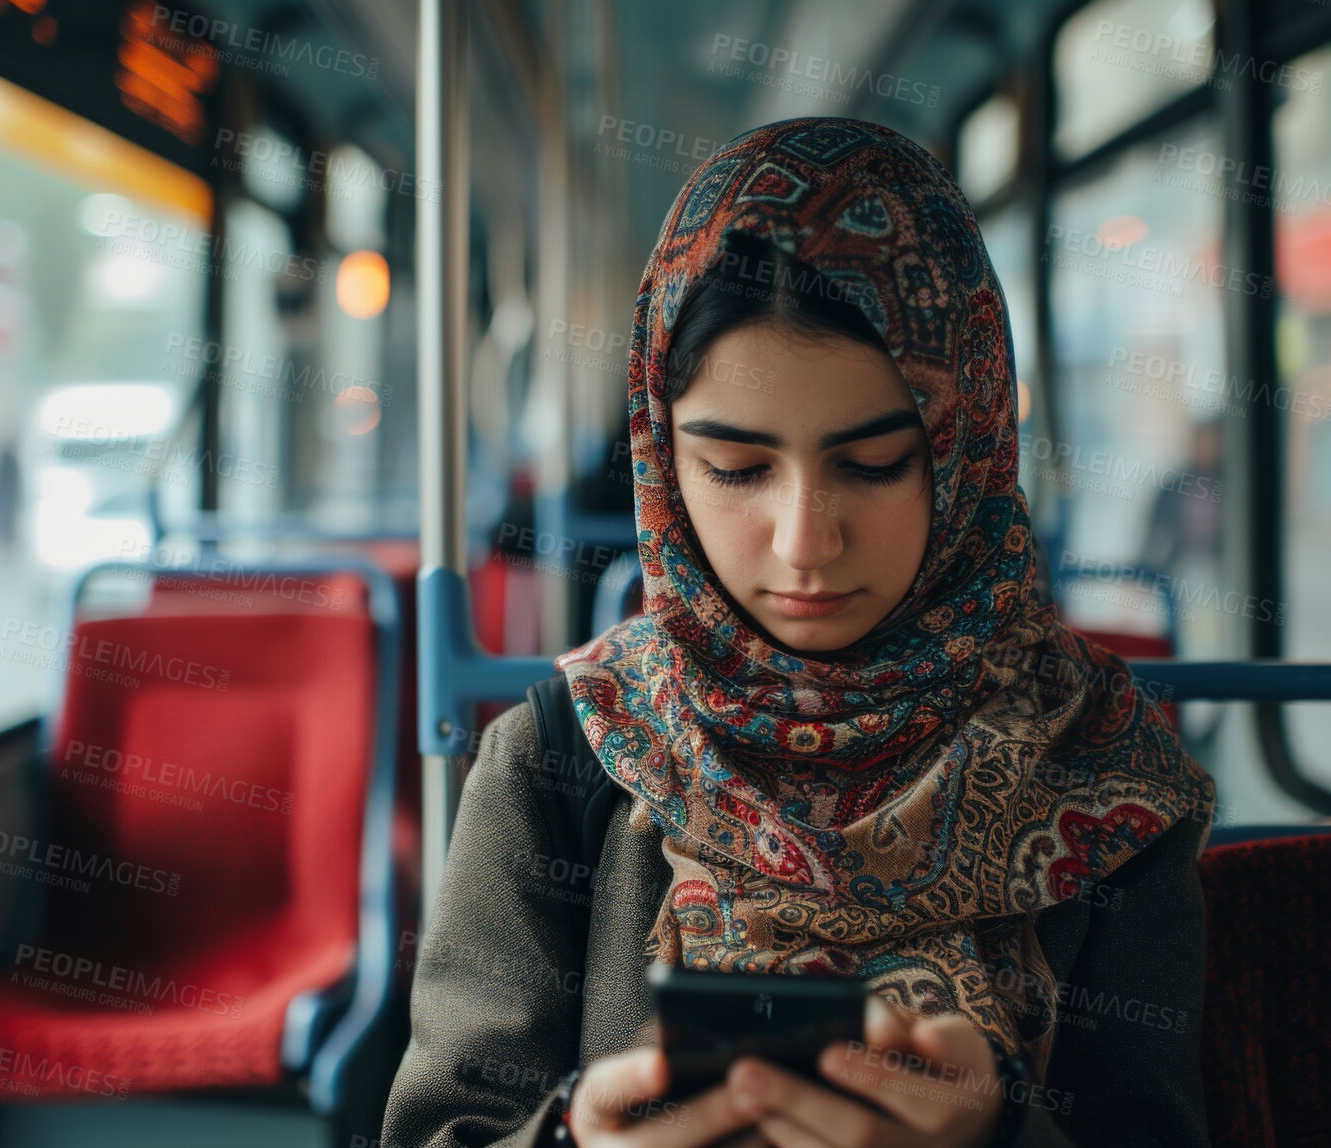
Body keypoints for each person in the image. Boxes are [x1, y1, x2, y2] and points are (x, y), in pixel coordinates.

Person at [382, 117, 1217, 1148]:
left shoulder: (1104, 763)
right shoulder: (562, 756)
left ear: (968, 446)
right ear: (660, 461)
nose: (804, 541)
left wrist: (1000, 1136)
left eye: (873, 463)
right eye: (735, 468)